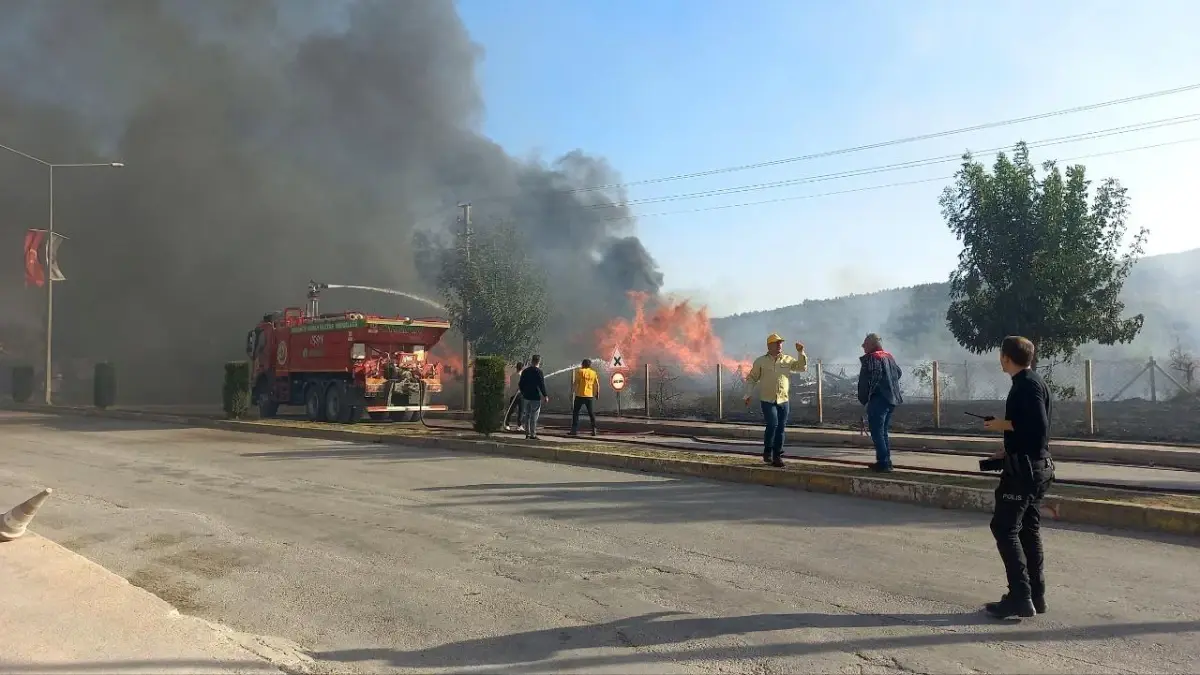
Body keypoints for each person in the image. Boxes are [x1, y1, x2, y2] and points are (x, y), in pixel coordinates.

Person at [980, 335, 1056, 620]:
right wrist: (1007, 446)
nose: (1000, 360)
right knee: (1027, 529)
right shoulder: (1034, 382)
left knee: (1004, 528)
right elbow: (1031, 431)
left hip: (1025, 471)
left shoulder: (1026, 385)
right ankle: (1037, 595)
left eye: (1000, 356)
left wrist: (1001, 425)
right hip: (1037, 466)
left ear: (1006, 357)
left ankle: (1020, 596)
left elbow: (1037, 426)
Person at [743, 333, 807, 467]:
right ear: (769, 345)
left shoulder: (787, 360)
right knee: (773, 424)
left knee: (781, 428)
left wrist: (801, 353)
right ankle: (768, 451)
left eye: (780, 343)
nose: (779, 345)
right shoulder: (760, 361)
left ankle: (777, 456)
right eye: (776, 343)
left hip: (783, 400)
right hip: (767, 400)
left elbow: (801, 367)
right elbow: (752, 378)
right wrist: (748, 394)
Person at [856, 333, 903, 472]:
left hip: (879, 399)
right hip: (891, 399)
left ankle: (883, 463)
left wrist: (866, 397)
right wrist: (889, 383)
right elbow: (899, 373)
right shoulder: (888, 356)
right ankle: (886, 461)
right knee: (883, 432)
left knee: (877, 432)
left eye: (865, 343)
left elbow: (871, 379)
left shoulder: (872, 358)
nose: (863, 346)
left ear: (871, 344)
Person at [517, 355, 549, 440]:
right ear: (539, 361)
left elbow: (520, 384)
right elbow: (541, 385)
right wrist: (545, 395)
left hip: (526, 397)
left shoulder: (525, 371)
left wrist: (523, 392)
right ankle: (533, 434)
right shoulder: (539, 372)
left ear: (532, 361)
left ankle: (527, 434)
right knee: (534, 417)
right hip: (535, 397)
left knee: (527, 415)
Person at [569, 358, 600, 436]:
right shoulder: (593, 373)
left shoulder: (580, 371)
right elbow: (597, 384)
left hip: (579, 395)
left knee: (576, 412)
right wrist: (597, 393)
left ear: (583, 364)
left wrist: (571, 393)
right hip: (589, 396)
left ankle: (574, 430)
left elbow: (575, 383)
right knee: (591, 413)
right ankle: (594, 430)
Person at [504, 361, 526, 432]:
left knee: (511, 410)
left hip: (512, 395)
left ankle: (507, 424)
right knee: (521, 411)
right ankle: (519, 426)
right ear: (522, 368)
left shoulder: (512, 375)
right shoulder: (521, 376)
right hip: (520, 395)